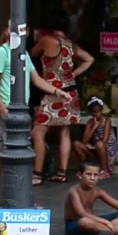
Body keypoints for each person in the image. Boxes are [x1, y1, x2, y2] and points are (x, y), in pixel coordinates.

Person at [0, 24, 69, 205]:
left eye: (21, 30)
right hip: (7, 109)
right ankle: (11, 195)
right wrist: (2, 108)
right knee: (17, 149)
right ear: (7, 31)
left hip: (20, 110)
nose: (16, 33)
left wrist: (57, 91)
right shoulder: (1, 53)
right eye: (12, 29)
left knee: (3, 151)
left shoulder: (24, 54)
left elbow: (36, 79)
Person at [30, 11, 94, 184]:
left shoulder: (47, 40)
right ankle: (62, 172)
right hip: (70, 92)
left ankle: (37, 173)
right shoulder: (71, 44)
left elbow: (33, 53)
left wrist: (37, 38)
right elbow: (89, 59)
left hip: (53, 92)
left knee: (38, 132)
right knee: (64, 133)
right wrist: (74, 74)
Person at [64, 160, 118, 235]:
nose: (92, 178)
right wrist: (107, 223)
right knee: (84, 221)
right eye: (88, 174)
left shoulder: (97, 191)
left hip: (94, 221)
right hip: (75, 225)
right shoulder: (74, 191)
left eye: (95, 175)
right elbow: (82, 213)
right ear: (80, 175)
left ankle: (102, 232)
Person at [73, 97, 118, 178]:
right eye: (94, 112)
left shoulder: (107, 121)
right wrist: (94, 128)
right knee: (76, 144)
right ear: (91, 112)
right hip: (96, 149)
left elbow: (104, 141)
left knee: (99, 144)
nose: (97, 114)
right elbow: (84, 140)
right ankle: (85, 169)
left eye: (99, 111)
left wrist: (94, 147)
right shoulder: (90, 122)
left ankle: (104, 171)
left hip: (107, 150)